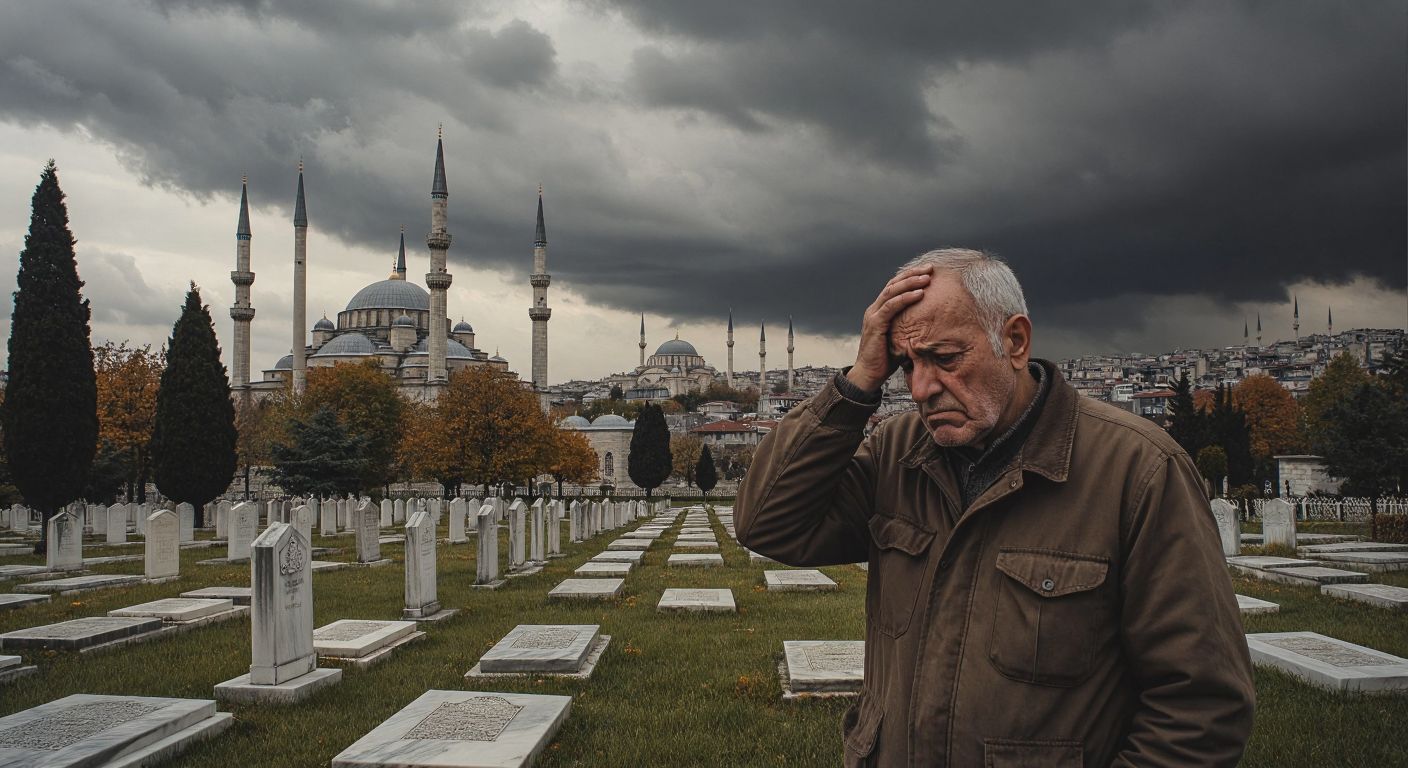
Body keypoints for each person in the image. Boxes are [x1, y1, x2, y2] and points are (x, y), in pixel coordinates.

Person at [736, 248, 1254, 767]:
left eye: (945, 358)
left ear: (1014, 341)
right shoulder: (898, 454)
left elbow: (1200, 709)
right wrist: (859, 381)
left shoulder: (1136, 470)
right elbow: (768, 522)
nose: (921, 388)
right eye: (905, 365)